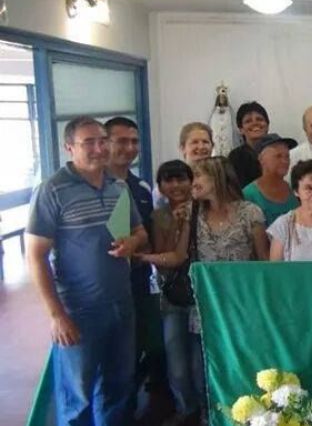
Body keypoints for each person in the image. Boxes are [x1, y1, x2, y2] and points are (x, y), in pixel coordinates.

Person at [25, 116, 148, 425]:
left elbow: (140, 232)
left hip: (122, 303)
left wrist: (131, 243)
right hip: (78, 310)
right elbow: (35, 257)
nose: (99, 148)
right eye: (88, 142)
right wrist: (56, 315)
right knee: (76, 395)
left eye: (102, 140)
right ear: (70, 148)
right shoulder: (52, 191)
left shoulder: (118, 186)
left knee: (118, 386)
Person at [140, 157, 269, 423]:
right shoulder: (192, 214)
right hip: (204, 304)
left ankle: (239, 413)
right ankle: (206, 416)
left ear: (217, 179)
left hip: (239, 304)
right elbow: (177, 256)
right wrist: (140, 257)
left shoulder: (250, 213)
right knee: (201, 370)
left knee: (238, 364)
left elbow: (264, 263)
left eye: (198, 177)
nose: (193, 183)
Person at [104, 116, 162, 417]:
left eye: (134, 141)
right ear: (105, 142)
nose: (129, 148)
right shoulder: (92, 185)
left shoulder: (140, 187)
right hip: (99, 290)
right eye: (121, 141)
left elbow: (148, 234)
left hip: (137, 283)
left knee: (140, 349)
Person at [149, 160, 200, 426]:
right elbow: (164, 255)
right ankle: (185, 408)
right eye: (168, 180)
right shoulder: (159, 216)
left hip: (201, 295)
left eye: (181, 179)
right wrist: (176, 227)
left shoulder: (204, 208)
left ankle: (205, 411)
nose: (176, 185)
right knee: (176, 360)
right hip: (171, 294)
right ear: (159, 187)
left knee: (198, 360)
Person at [243, 133, 300, 227]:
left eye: (287, 156)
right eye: (278, 156)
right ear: (261, 159)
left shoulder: (293, 189)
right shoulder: (248, 195)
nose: (285, 161)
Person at [227, 101, 270, 188]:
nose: (255, 123)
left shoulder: (279, 149)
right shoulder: (235, 157)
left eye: (259, 119)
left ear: (267, 125)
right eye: (248, 121)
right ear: (241, 129)